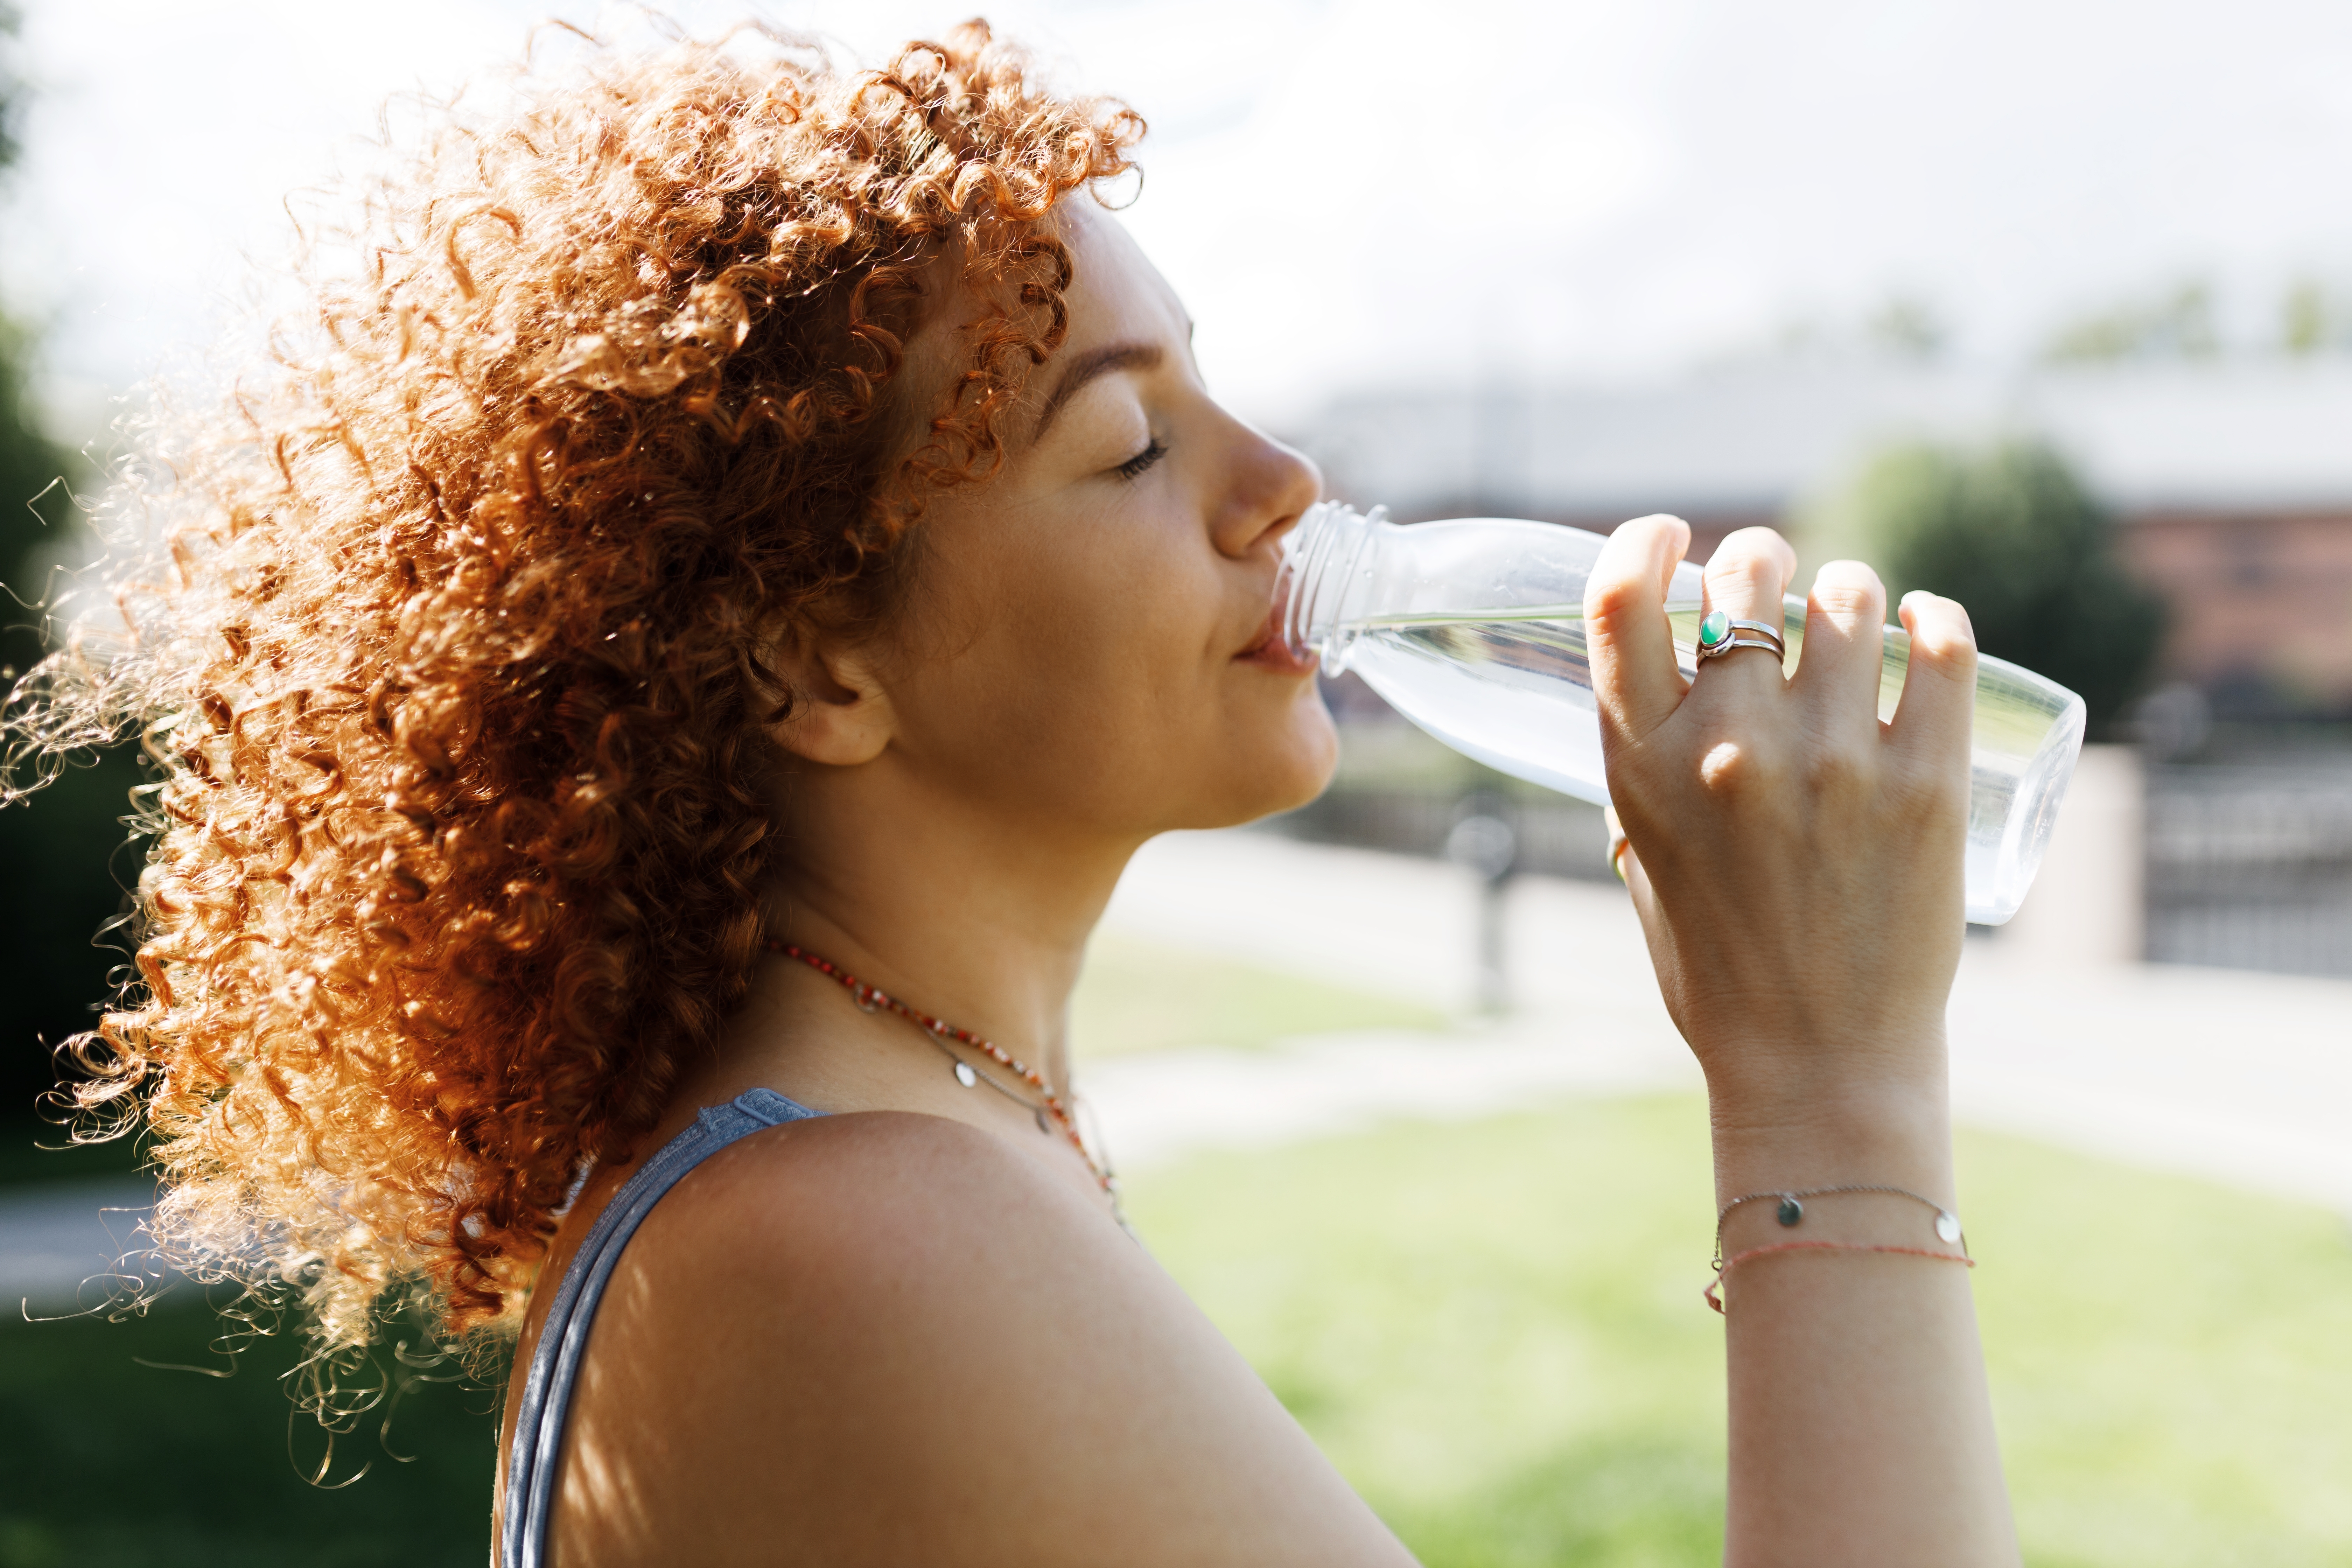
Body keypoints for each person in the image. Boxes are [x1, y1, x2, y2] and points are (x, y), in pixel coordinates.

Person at [12, 21, 2018, 1565]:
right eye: (1133, 444)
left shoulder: (885, 1165)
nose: (1282, 484)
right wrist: (1828, 1082)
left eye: (1213, 386)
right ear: (815, 663)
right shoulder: (856, 1238)